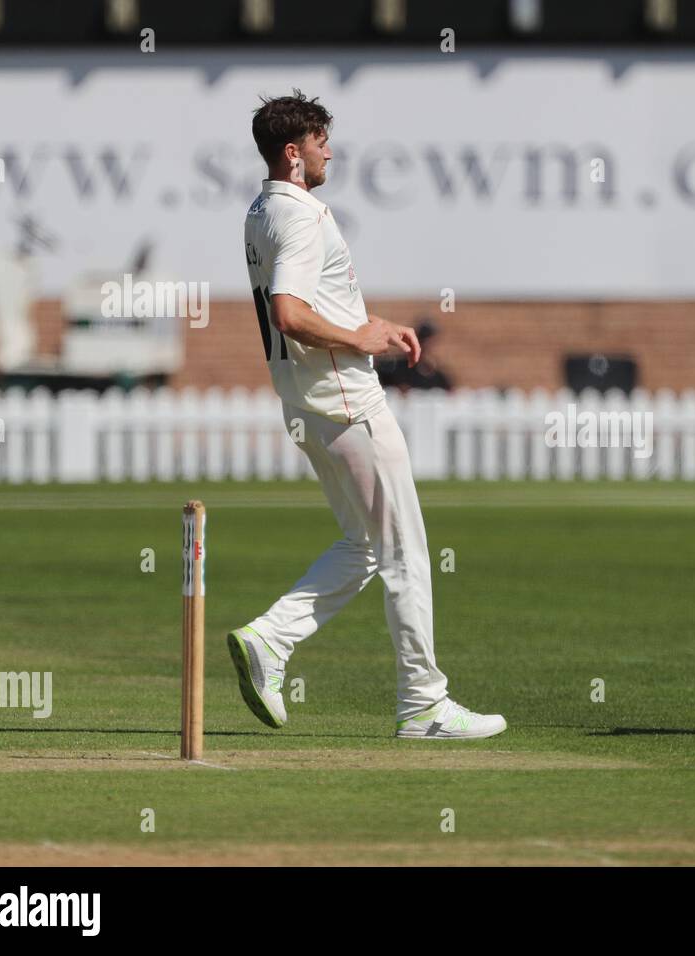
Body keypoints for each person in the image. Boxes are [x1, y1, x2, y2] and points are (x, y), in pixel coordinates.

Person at [230, 89, 505, 739]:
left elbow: (306, 301)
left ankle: (270, 639)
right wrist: (361, 341)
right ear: (293, 153)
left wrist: (368, 322)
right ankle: (424, 704)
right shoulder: (302, 216)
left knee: (367, 546)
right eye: (321, 140)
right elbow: (289, 313)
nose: (331, 150)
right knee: (406, 551)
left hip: (306, 407)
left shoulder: (261, 209)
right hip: (350, 406)